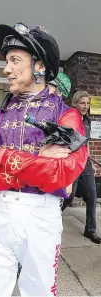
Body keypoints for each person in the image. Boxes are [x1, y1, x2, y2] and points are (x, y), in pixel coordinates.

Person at [0, 22, 88, 296]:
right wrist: (38, 158)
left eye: (15, 60)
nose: (6, 69)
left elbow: (61, 174)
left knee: (39, 291)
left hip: (42, 216)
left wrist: (1, 154)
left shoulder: (66, 115)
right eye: (7, 61)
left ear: (39, 66)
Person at [61, 91, 100, 244]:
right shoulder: (69, 119)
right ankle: (51, 219)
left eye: (88, 103)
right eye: (82, 103)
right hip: (72, 162)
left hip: (85, 163)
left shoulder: (87, 122)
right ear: (75, 104)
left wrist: (90, 159)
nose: (85, 106)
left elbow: (87, 143)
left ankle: (90, 229)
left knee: (92, 196)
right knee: (69, 196)